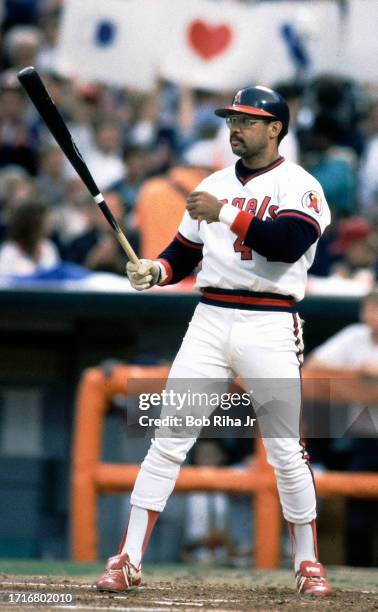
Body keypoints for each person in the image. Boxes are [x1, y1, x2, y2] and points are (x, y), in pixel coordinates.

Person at [96, 85, 332, 596]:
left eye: (247, 120)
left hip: (270, 320)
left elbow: (287, 244)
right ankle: (127, 557)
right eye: (232, 119)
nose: (235, 128)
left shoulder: (300, 185)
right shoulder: (213, 183)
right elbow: (183, 251)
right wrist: (155, 270)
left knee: (286, 452)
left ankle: (309, 563)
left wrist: (224, 211)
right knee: (168, 440)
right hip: (210, 317)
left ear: (275, 128)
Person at [305, 289, 378, 566]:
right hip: (365, 439)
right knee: (357, 517)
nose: (374, 315)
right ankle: (357, 572)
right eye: (371, 308)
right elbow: (314, 365)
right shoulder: (355, 335)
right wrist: (357, 380)